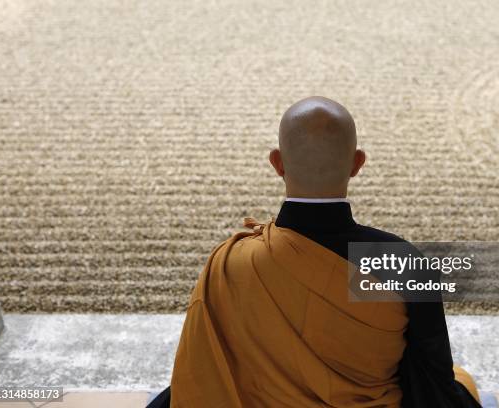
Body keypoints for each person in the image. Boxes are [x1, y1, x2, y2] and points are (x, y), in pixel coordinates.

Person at [148, 96, 481, 407]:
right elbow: (430, 379)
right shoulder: (402, 263)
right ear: (357, 163)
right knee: (461, 380)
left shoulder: (232, 263)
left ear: (277, 162)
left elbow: (205, 369)